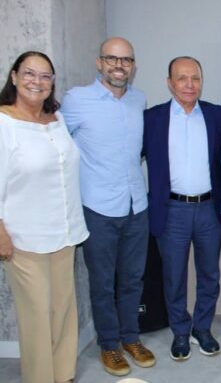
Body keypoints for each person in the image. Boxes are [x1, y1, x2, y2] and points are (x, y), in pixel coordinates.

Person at [61, 37, 155, 377]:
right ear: (99, 63)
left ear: (133, 65)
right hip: (97, 208)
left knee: (132, 279)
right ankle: (109, 345)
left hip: (136, 205)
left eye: (126, 59)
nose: (119, 65)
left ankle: (131, 338)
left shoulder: (138, 100)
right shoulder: (76, 100)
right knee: (102, 283)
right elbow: (58, 147)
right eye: (112, 59)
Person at [0, 51, 89, 383]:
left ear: (52, 82)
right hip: (25, 239)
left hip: (64, 232)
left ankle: (63, 375)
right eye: (29, 73)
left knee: (63, 310)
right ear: (14, 77)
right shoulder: (4, 123)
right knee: (36, 316)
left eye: (45, 76)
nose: (36, 82)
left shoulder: (57, 119)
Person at [143, 56, 221, 361]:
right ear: (170, 83)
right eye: (182, 78)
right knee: (173, 277)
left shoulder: (217, 116)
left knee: (209, 274)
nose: (190, 84)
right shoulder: (152, 119)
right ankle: (180, 331)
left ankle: (202, 328)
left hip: (208, 209)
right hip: (172, 210)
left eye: (195, 78)